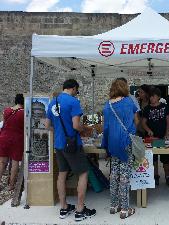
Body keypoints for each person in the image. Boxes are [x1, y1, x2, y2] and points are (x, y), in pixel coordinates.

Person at [46, 79, 96, 221]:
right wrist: (85, 129)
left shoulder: (52, 102)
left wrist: (60, 132)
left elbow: (48, 125)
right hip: (72, 144)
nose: (76, 93)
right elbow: (76, 126)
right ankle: (80, 210)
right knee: (83, 173)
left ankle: (64, 207)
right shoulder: (73, 102)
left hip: (59, 144)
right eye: (76, 91)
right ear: (74, 88)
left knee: (62, 174)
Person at [101, 79, 138, 219]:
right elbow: (135, 120)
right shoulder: (129, 102)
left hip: (112, 142)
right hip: (125, 141)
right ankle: (125, 209)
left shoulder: (107, 105)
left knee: (114, 173)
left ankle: (113, 205)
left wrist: (105, 146)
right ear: (124, 88)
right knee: (124, 175)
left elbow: (106, 127)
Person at [142, 87, 169, 186]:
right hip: (151, 139)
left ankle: (167, 176)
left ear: (158, 97)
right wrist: (148, 130)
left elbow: (168, 121)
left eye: (153, 96)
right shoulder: (147, 108)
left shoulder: (164, 106)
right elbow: (143, 123)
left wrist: (167, 134)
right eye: (150, 96)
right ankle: (155, 176)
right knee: (153, 158)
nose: (151, 98)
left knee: (165, 158)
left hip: (162, 137)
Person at [0, 94, 24, 191]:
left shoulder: (6, 110)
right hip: (17, 139)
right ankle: (11, 185)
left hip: (4, 138)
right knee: (15, 162)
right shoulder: (23, 113)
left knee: (2, 162)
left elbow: (4, 123)